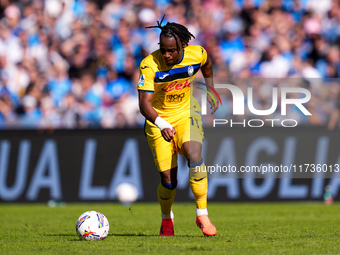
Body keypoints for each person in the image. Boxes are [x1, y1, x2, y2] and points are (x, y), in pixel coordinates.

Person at [137, 15, 219, 237]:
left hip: (186, 114)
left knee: (194, 154)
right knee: (168, 181)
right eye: (163, 49)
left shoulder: (196, 54)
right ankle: (167, 219)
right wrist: (162, 123)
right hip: (158, 120)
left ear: (183, 45)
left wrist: (210, 88)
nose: (166, 54)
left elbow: (207, 63)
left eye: (171, 50)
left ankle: (202, 213)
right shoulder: (149, 64)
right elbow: (144, 105)